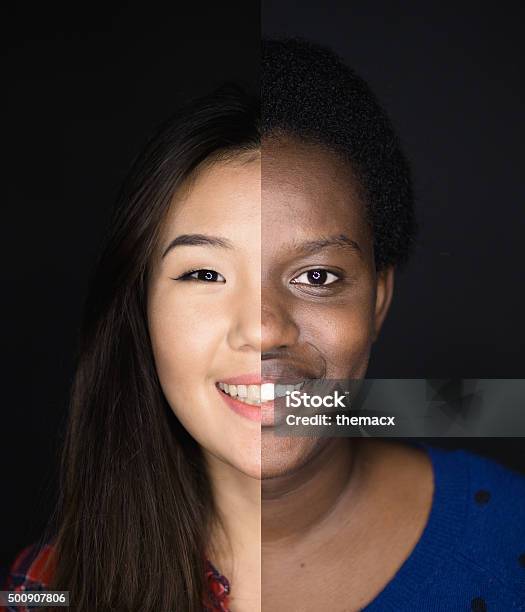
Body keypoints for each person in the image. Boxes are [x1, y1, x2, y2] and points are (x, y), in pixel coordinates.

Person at [5, 38, 525, 612]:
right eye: (204, 273)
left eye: (318, 277)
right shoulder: (48, 590)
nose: (264, 329)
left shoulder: (510, 541)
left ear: (377, 299)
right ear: (143, 307)